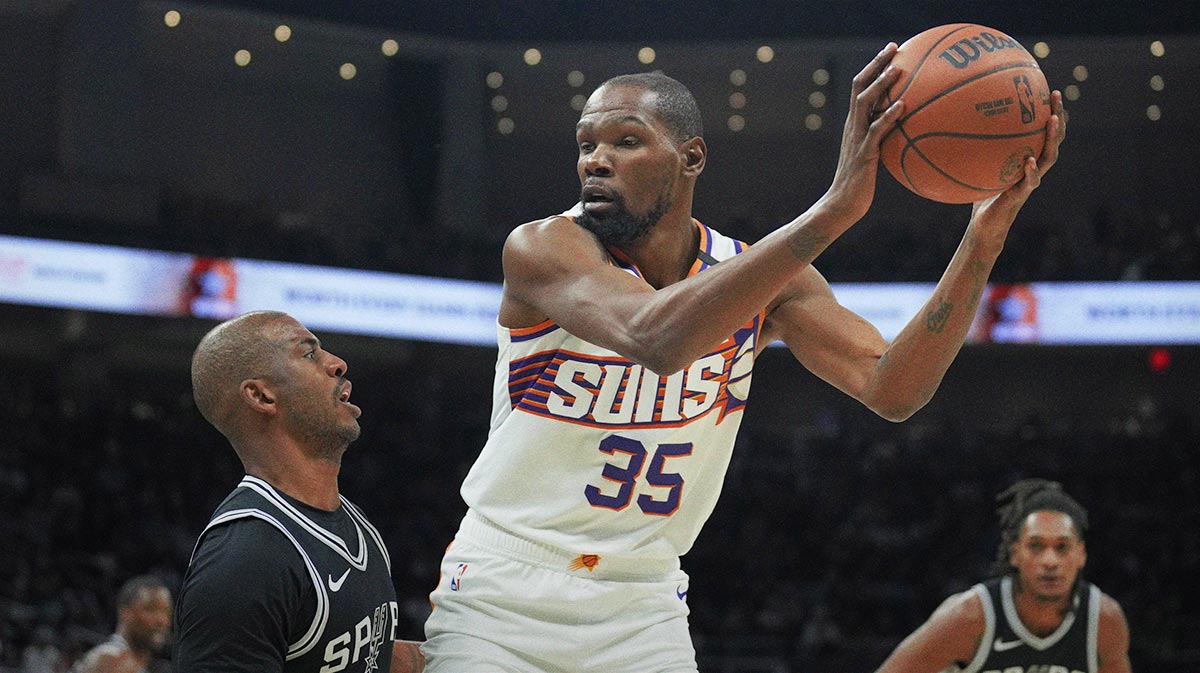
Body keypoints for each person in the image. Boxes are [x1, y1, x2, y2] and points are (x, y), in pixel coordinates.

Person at [422, 41, 1068, 673]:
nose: (595, 160)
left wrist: (983, 240)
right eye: (586, 144)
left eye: (624, 140)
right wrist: (835, 208)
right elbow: (657, 338)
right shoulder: (542, 248)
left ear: (691, 157)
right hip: (504, 589)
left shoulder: (763, 282)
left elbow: (893, 387)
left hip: (640, 603)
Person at [174, 311, 424, 673]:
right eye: (309, 354)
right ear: (261, 395)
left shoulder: (356, 524)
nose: (337, 364)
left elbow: (370, 659)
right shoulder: (247, 557)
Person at [870, 479, 1132, 673]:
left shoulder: (1104, 622)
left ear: (1081, 555)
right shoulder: (968, 618)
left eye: (1062, 547)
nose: (1050, 561)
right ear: (1015, 554)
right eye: (1036, 546)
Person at [73, 576, 172, 673]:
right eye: (151, 610)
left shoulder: (136, 664)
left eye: (167, 612)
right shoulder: (110, 660)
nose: (161, 620)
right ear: (125, 613)